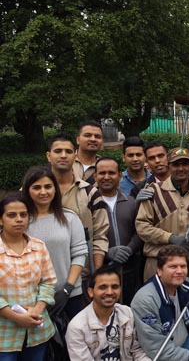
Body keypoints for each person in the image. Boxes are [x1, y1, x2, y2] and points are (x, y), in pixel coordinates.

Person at [135, 147, 189, 279]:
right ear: (168, 166)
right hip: (158, 261)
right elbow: (142, 227)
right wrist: (171, 238)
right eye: (176, 165)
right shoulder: (154, 191)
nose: (180, 169)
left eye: (185, 164)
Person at [23, 167, 89, 320]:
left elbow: (79, 254)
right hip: (32, 297)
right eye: (36, 187)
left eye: (48, 186)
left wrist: (67, 289)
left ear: (55, 188)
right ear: (27, 190)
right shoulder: (22, 222)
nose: (43, 192)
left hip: (69, 294)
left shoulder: (70, 218)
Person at [0, 195, 57, 359]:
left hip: (36, 329)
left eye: (23, 215)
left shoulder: (38, 246)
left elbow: (48, 282)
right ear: (1, 220)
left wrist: (37, 311)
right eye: (11, 215)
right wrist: (16, 317)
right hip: (4, 334)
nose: (19, 219)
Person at [46, 133, 109, 278]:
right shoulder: (31, 191)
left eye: (68, 151)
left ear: (75, 156)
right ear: (48, 156)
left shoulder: (91, 193)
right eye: (58, 151)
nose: (63, 156)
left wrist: (97, 273)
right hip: (41, 277)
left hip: (82, 275)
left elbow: (100, 235)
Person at [66, 267, 150, 361]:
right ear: (90, 292)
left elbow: (137, 350)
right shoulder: (77, 327)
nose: (109, 292)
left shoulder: (127, 313)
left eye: (114, 287)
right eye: (103, 287)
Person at [94, 157, 144, 305]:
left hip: (131, 271)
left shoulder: (131, 202)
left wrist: (129, 249)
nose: (107, 177)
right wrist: (106, 252)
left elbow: (140, 231)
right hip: (103, 270)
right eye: (102, 173)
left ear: (120, 175)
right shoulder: (90, 203)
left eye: (112, 173)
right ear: (95, 176)